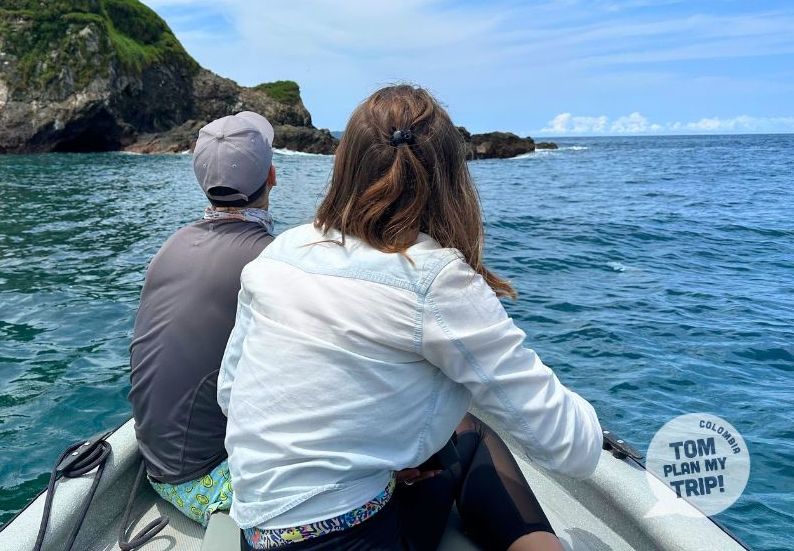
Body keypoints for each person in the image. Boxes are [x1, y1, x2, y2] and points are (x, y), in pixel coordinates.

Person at [217, 85, 603, 551]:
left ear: (346, 166)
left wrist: (384, 455)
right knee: (473, 437)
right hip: (347, 542)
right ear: (450, 181)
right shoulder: (437, 278)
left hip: (255, 534)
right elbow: (572, 450)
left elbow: (230, 393)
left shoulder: (282, 250)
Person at [129, 111, 278, 527]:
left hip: (157, 466)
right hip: (207, 481)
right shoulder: (269, 261)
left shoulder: (171, 246)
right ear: (272, 176)